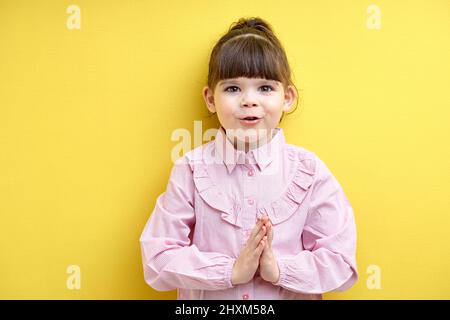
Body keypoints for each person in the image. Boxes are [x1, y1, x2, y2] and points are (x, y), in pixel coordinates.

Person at [140, 17, 358, 300]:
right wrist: (229, 272)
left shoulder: (310, 170)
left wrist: (278, 269)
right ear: (210, 98)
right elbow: (157, 257)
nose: (249, 100)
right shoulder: (191, 169)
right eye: (233, 88)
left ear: (288, 97)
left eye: (265, 88)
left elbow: (341, 262)